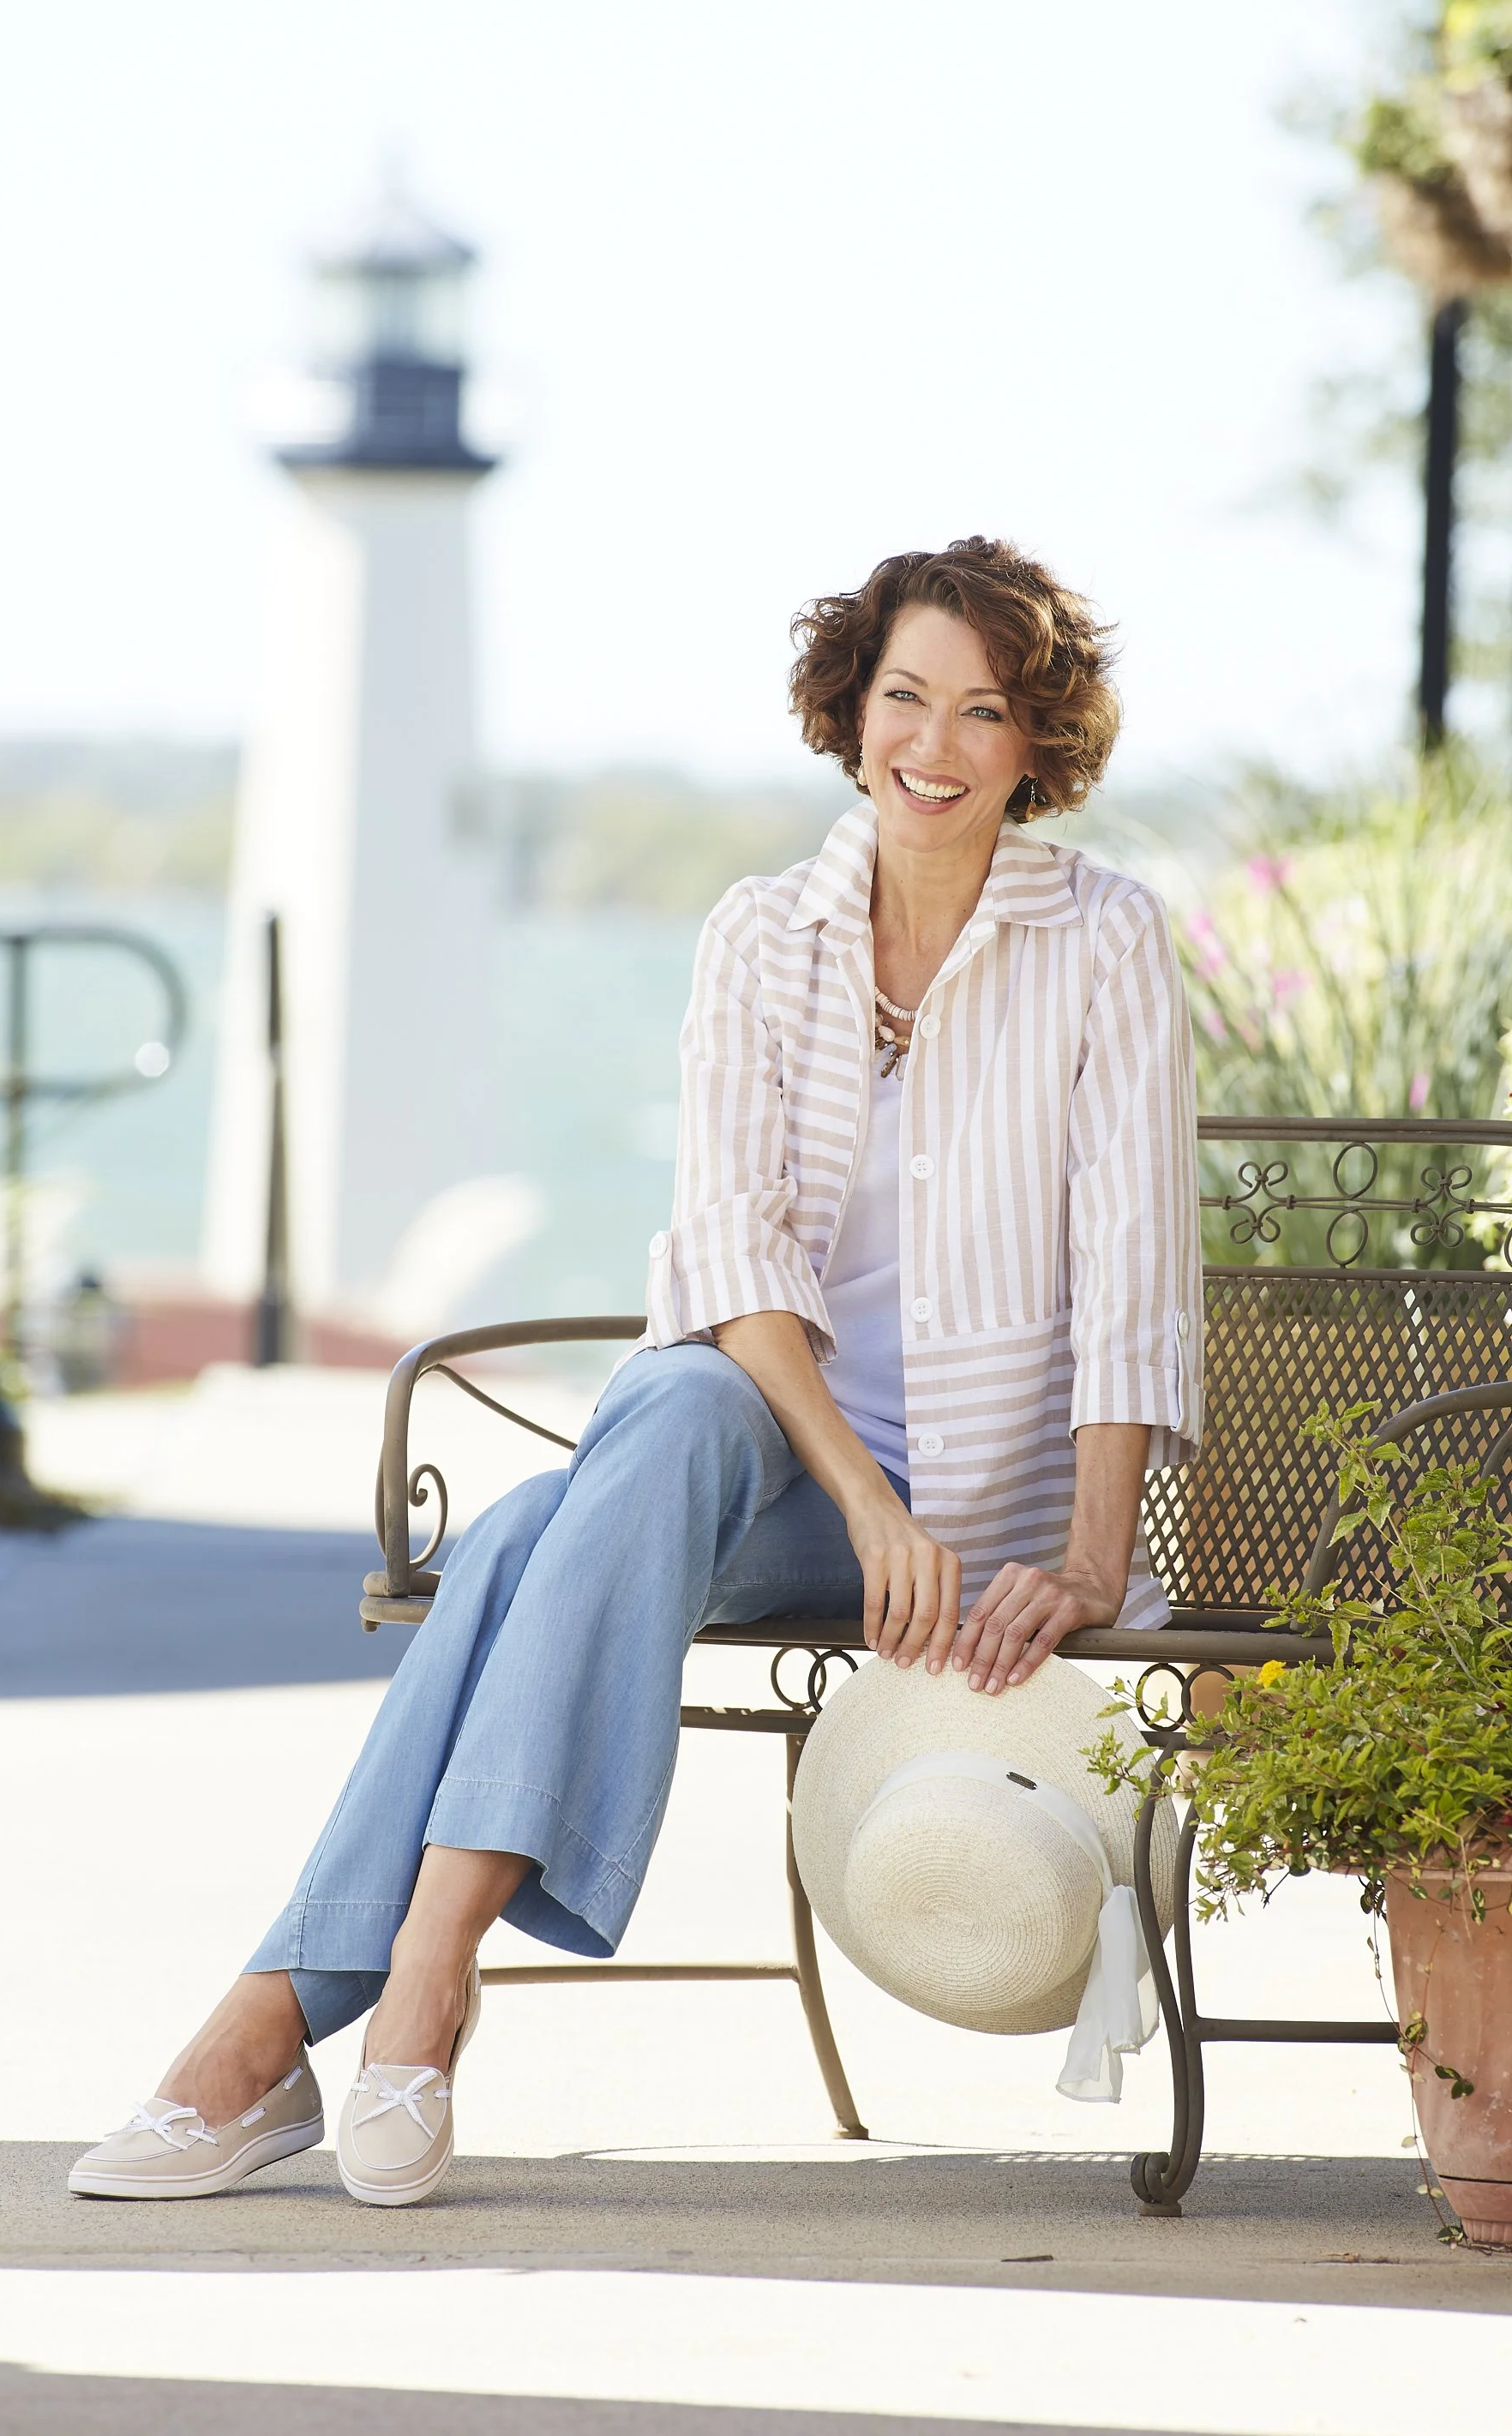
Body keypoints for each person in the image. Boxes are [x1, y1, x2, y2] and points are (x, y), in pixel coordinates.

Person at [69, 535, 1203, 2208]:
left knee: (530, 1539)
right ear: (851, 705)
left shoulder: (1102, 945)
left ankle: (284, 2026)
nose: (935, 747)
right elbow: (733, 1265)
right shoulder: (762, 936)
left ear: (1039, 743)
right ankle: (425, 1985)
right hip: (792, 1466)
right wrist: (862, 1498)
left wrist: (1091, 1557)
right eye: (906, 696)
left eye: (983, 711)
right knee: (676, 1392)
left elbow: (1136, 1278)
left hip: (976, 1513)